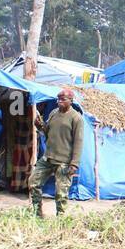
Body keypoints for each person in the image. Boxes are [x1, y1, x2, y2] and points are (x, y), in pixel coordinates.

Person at [29, 88, 84, 217]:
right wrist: (39, 125)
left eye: (63, 99)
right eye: (58, 99)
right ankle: (37, 214)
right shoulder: (54, 113)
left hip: (64, 161)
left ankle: (61, 220)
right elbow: (47, 132)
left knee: (61, 193)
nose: (59, 101)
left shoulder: (76, 118)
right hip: (48, 158)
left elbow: (78, 141)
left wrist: (74, 164)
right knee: (33, 183)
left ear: (70, 101)